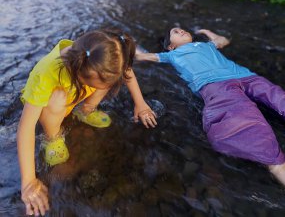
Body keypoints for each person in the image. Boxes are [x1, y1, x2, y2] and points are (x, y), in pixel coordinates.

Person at [18, 29, 157, 216]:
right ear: (78, 72)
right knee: (58, 98)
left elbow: (124, 70)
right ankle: (53, 137)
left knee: (107, 78)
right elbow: (26, 127)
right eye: (95, 83)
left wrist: (140, 103)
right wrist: (28, 181)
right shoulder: (47, 73)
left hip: (77, 92)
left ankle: (86, 110)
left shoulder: (103, 51)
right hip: (51, 106)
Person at [135, 27, 285, 186]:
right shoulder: (170, 55)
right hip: (214, 85)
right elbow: (142, 56)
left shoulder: (206, 45)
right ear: (170, 46)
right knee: (238, 117)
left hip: (245, 76)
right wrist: (131, 46)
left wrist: (207, 32)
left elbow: (223, 40)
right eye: (176, 32)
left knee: (276, 95)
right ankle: (275, 163)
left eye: (182, 30)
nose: (181, 31)